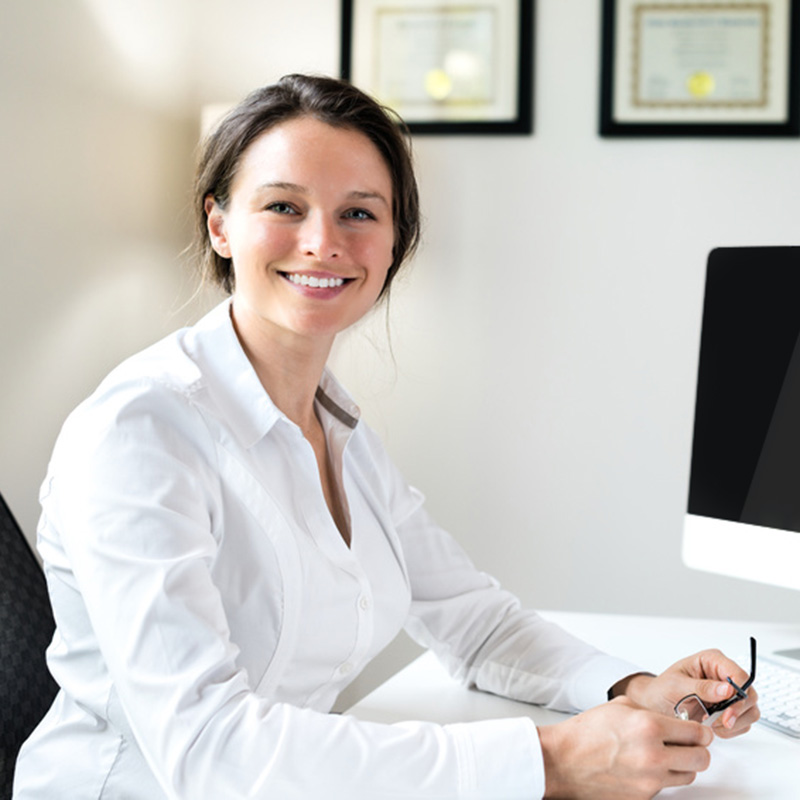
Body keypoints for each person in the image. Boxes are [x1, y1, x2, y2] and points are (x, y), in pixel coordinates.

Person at [14, 74, 759, 800]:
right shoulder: (140, 431)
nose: (322, 242)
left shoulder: (337, 427)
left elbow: (479, 627)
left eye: (360, 214)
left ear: (395, 239)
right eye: (283, 205)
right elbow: (210, 751)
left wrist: (632, 688)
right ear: (219, 223)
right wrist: (551, 762)